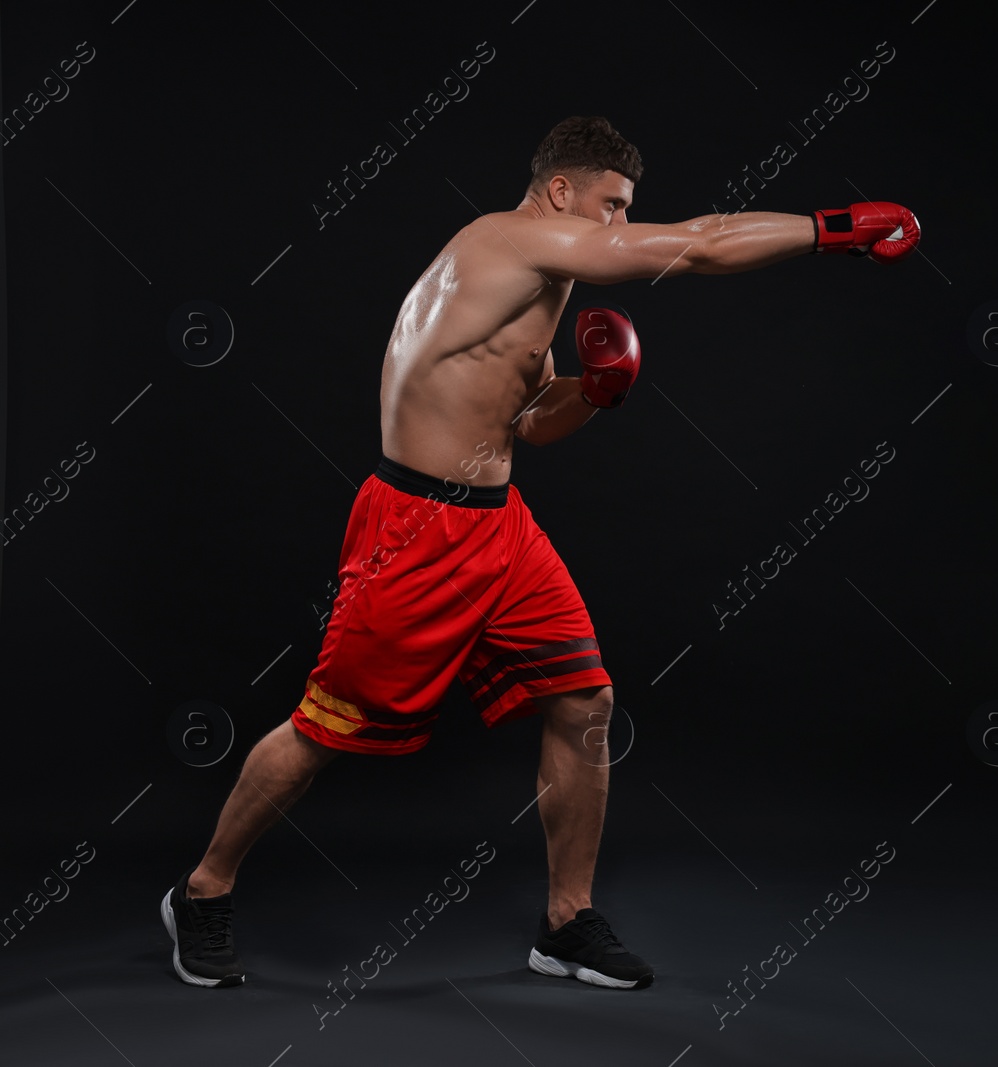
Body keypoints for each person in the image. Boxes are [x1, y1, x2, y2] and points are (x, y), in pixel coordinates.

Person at [160, 115, 921, 991]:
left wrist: (593, 393)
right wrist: (834, 231)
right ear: (563, 190)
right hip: (415, 531)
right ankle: (203, 888)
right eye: (613, 206)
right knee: (325, 728)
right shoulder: (507, 243)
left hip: (499, 526)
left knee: (585, 701)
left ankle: (566, 922)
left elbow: (524, 421)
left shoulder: (534, 277)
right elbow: (701, 247)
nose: (618, 227)